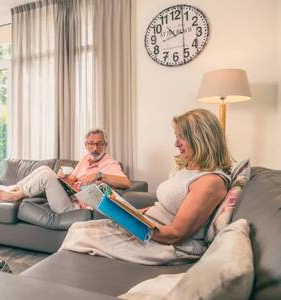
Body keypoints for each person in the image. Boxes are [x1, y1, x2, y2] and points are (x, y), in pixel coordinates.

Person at [60, 109, 233, 265]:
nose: (176, 143)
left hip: (165, 245)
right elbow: (167, 207)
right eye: (176, 136)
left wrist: (131, 222)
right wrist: (129, 212)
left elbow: (176, 234)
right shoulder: (189, 170)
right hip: (150, 228)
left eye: (181, 137)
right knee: (77, 227)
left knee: (81, 236)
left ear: (200, 137)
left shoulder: (210, 182)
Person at [0, 129, 131, 214]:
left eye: (99, 144)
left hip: (74, 207)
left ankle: (15, 195)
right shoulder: (85, 159)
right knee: (45, 169)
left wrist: (99, 175)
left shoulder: (110, 163)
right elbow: (71, 181)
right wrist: (63, 178)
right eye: (91, 144)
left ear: (105, 145)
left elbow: (126, 183)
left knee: (46, 174)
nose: (95, 148)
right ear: (86, 145)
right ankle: (13, 188)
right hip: (68, 196)